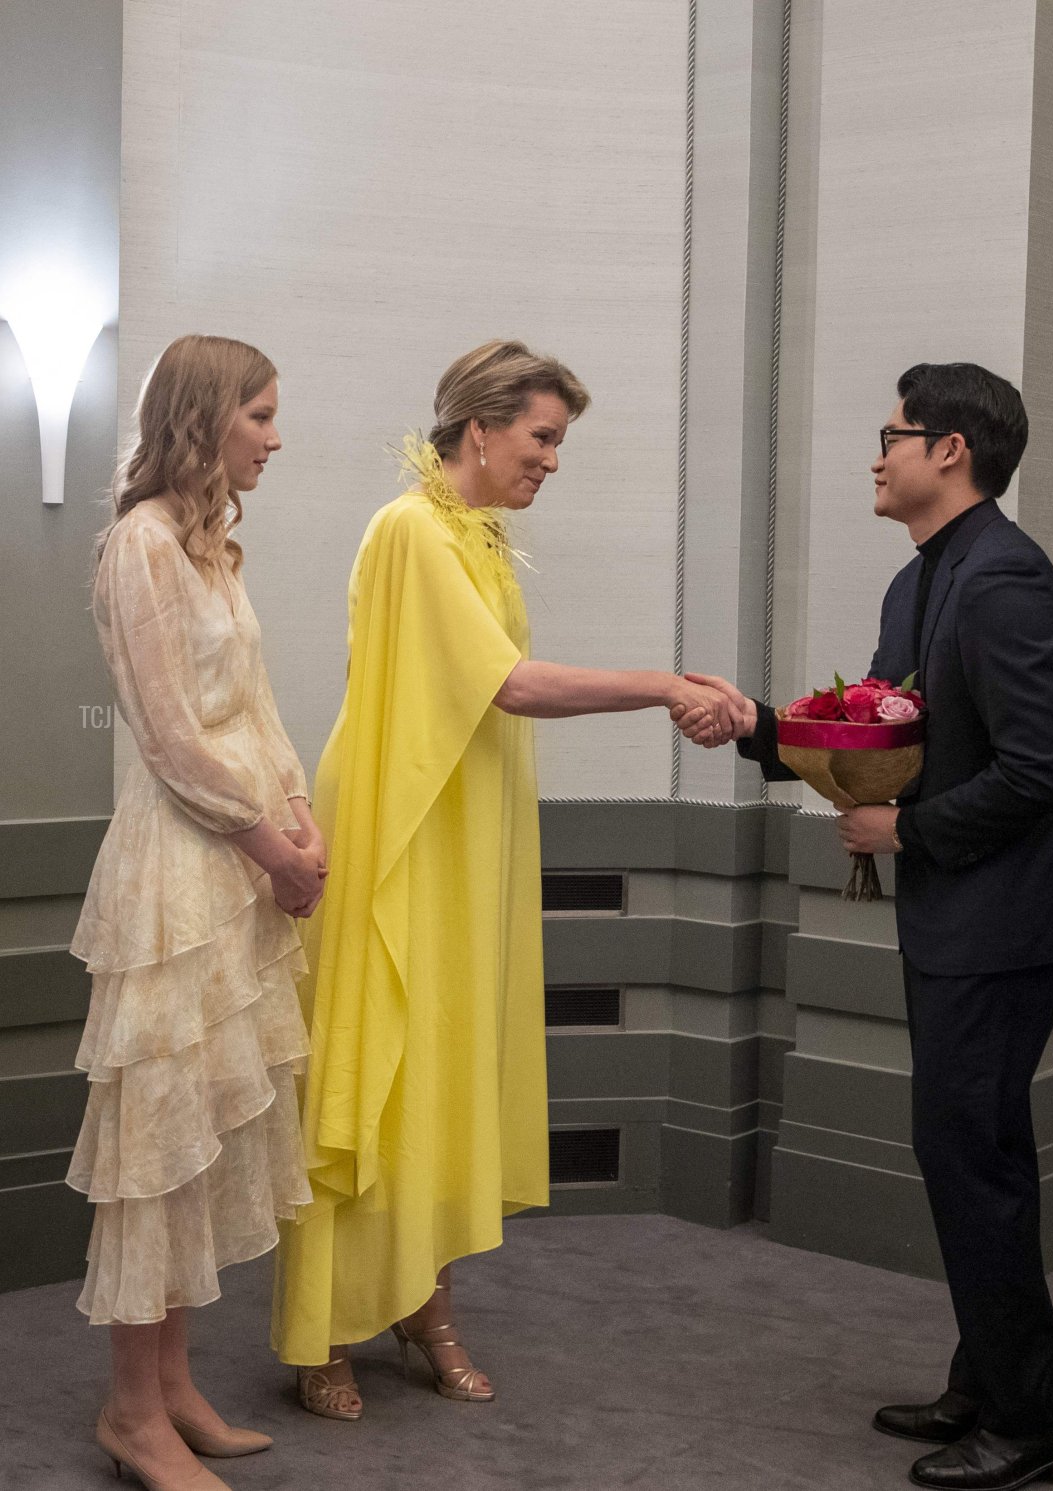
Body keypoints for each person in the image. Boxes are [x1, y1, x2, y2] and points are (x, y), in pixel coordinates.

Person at [270, 339, 730, 1417]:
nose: (552, 462)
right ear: (479, 430)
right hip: (398, 836)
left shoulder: (475, 536)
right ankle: (323, 1330)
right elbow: (511, 688)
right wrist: (665, 684)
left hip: (463, 839)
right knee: (377, 1078)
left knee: (441, 1076)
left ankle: (422, 1303)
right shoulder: (411, 529)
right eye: (543, 438)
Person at [680, 362, 1053, 1488]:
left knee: (969, 1157)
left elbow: (1040, 773)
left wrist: (905, 835)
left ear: (950, 451)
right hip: (961, 915)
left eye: (892, 434)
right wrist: (755, 725)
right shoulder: (922, 580)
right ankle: (991, 1381)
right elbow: (869, 733)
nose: (878, 454)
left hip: (1006, 920)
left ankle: (1039, 1419)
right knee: (973, 1153)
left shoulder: (1005, 580)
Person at [68, 335, 326, 1491]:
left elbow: (254, 706)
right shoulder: (140, 546)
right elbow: (170, 738)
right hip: (179, 876)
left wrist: (298, 812)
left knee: (197, 1145)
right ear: (205, 417)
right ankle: (132, 1411)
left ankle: (172, 1389)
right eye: (261, 415)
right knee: (157, 1154)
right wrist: (274, 842)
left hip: (234, 868)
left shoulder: (213, 545)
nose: (276, 436)